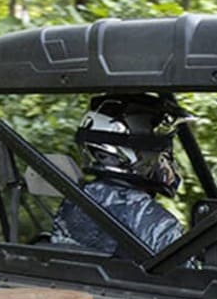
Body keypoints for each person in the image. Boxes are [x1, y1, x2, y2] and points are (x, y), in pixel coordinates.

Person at [50, 93, 190, 255]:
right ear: (139, 153)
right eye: (164, 149)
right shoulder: (159, 225)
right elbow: (191, 277)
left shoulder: (73, 203)